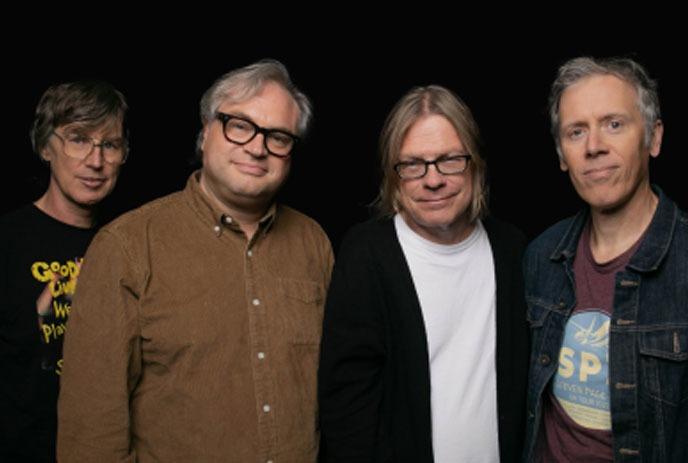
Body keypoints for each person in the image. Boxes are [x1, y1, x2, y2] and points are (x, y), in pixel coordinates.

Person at [57, 59, 333, 463]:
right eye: (239, 126)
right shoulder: (127, 247)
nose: (257, 148)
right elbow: (91, 433)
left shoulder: (314, 244)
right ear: (205, 132)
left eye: (278, 136)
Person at [318, 85, 529, 462]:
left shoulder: (513, 250)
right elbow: (347, 404)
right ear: (393, 174)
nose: (433, 180)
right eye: (413, 164)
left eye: (449, 160)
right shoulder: (367, 254)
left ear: (475, 163)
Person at [523, 56, 688, 462]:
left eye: (614, 124)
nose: (594, 146)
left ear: (654, 137)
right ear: (562, 155)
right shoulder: (541, 255)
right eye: (576, 132)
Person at [0, 81, 128, 462]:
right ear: (44, 146)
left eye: (110, 144)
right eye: (78, 139)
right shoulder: (7, 241)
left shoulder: (130, 245)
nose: (95, 160)